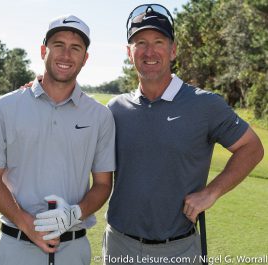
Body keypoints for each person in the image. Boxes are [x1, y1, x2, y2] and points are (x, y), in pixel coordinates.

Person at [103, 4, 264, 265]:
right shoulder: (114, 109)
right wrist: (46, 85)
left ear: (173, 49)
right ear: (129, 52)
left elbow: (252, 147)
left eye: (159, 41)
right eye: (140, 42)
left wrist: (211, 192)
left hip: (179, 250)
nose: (149, 51)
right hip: (119, 246)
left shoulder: (205, 105)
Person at [0, 14, 115, 265]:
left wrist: (75, 213)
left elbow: (103, 184)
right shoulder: (6, 106)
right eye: (58, 45)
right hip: (16, 246)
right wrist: (26, 223)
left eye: (76, 48)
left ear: (85, 58)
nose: (66, 55)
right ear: (43, 51)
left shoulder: (100, 115)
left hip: (74, 246)